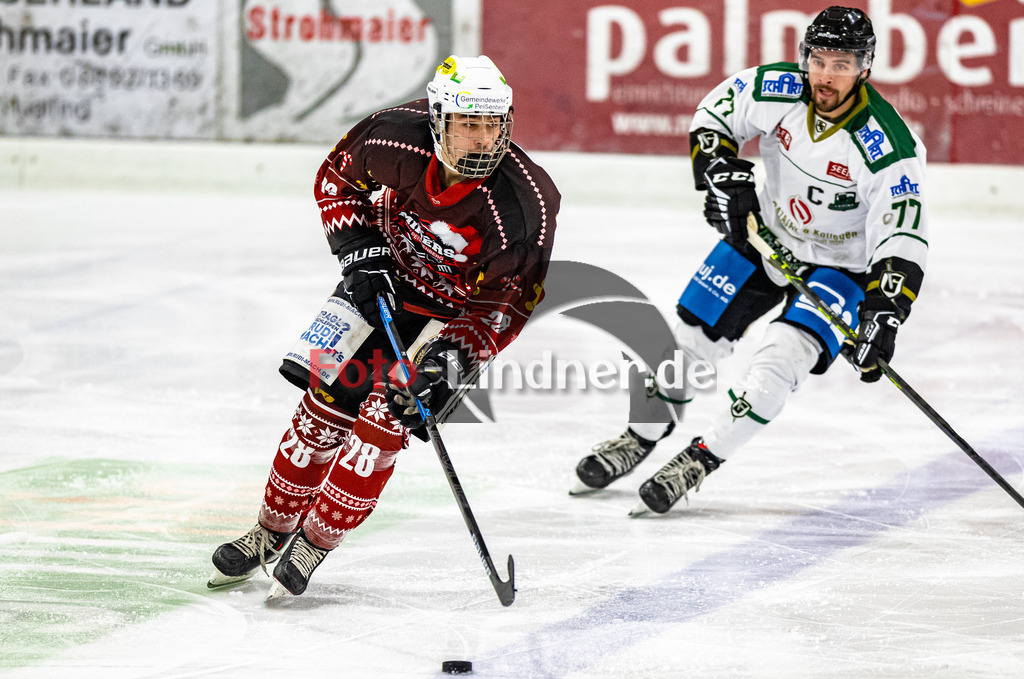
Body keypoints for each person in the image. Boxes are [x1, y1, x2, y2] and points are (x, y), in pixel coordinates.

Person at [209, 55, 559, 598]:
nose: (484, 140)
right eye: (470, 124)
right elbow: (335, 179)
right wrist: (360, 253)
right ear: (438, 120)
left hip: (451, 318)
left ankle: (315, 542)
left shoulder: (524, 205)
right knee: (322, 408)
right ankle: (269, 530)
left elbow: (506, 306)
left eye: (495, 125)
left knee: (382, 423)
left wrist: (453, 361)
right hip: (382, 280)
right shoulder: (393, 137)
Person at [572, 6, 928, 514]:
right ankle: (641, 435)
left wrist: (884, 313)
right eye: (819, 60)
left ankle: (701, 458)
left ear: (865, 68)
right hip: (763, 236)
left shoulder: (888, 144)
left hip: (840, 267)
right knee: (688, 342)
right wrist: (723, 173)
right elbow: (714, 115)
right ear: (805, 56)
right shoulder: (779, 88)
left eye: (842, 64)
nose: (826, 76)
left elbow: (904, 234)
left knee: (780, 361)